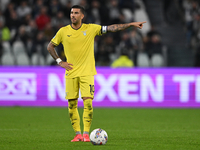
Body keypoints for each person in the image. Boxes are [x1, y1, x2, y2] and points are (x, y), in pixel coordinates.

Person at [47, 5, 146, 142]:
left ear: (82, 16)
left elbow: (111, 28)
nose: (72, 15)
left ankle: (86, 134)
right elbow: (50, 46)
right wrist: (59, 61)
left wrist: (129, 24)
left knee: (88, 104)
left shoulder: (91, 28)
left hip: (87, 73)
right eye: (71, 13)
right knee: (71, 105)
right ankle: (77, 134)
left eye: (76, 13)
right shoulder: (63, 31)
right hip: (71, 73)